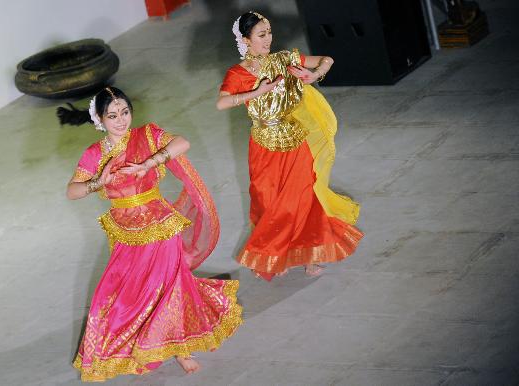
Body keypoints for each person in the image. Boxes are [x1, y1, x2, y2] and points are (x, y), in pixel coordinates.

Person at [58, 87, 242, 381]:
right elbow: (72, 191)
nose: (121, 121)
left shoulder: (147, 135)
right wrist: (96, 182)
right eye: (113, 116)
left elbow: (183, 143)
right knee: (117, 291)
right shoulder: (95, 154)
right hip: (124, 230)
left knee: (170, 283)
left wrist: (150, 162)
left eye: (125, 112)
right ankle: (132, 340)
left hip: (160, 223)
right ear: (100, 120)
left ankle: (181, 346)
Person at [216, 11, 363, 281]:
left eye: (269, 32)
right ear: (246, 40)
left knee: (303, 198)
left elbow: (327, 59)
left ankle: (311, 255)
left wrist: (314, 73)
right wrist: (256, 92)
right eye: (261, 35)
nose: (268, 39)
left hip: (294, 141)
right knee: (268, 202)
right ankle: (275, 256)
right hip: (263, 146)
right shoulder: (237, 73)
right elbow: (222, 102)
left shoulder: (283, 59)